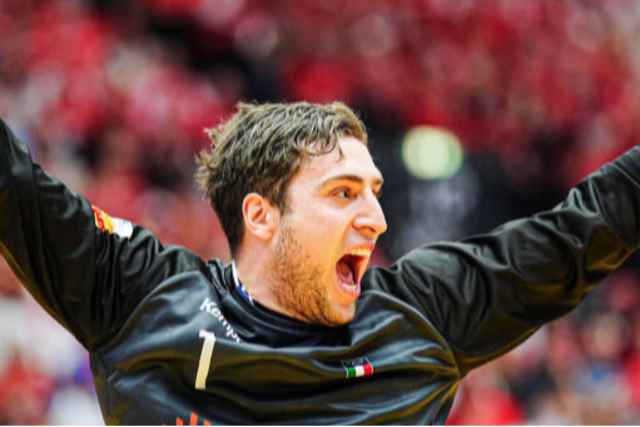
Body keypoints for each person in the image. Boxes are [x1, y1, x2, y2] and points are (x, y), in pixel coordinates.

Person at [1, 101, 639, 426]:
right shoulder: (138, 295)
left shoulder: (421, 315)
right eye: (343, 193)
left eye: (375, 192)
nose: (377, 219)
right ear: (261, 216)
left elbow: (583, 229)